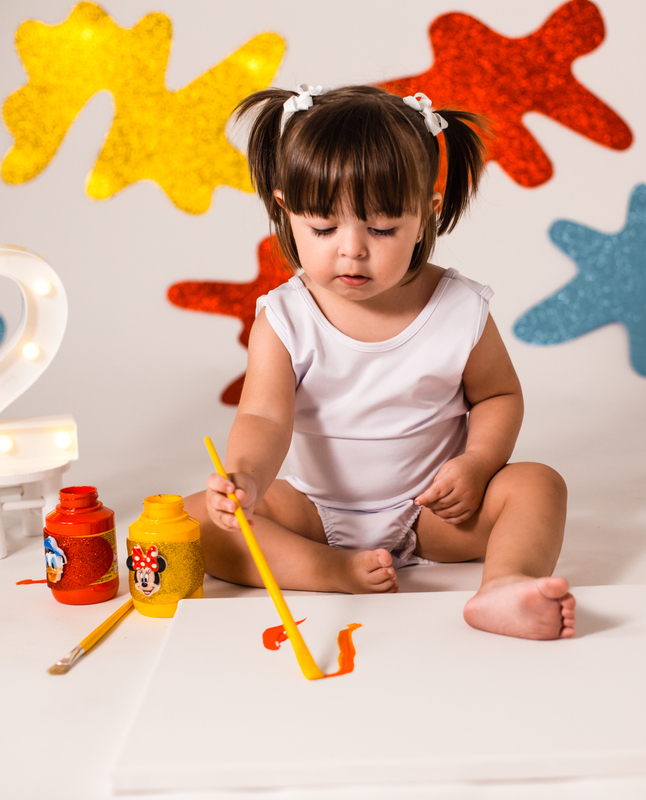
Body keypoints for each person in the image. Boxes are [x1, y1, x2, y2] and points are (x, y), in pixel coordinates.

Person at [184, 84, 573, 640]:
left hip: (433, 513)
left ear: (425, 216)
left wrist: (480, 464)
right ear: (284, 211)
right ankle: (330, 571)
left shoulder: (458, 308)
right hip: (315, 514)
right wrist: (246, 475)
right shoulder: (286, 316)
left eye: (382, 229)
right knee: (197, 519)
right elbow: (266, 417)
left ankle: (504, 586)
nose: (351, 250)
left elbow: (497, 396)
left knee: (539, 485)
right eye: (322, 228)